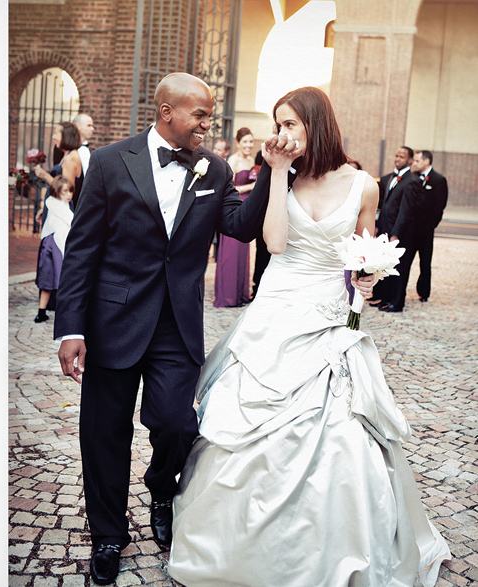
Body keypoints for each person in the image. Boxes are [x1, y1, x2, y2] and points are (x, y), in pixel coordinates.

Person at [169, 86, 450, 586]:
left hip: (329, 315)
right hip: (278, 307)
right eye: (278, 124)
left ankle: (333, 544)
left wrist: (367, 275)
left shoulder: (364, 185)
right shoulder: (284, 175)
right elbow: (275, 242)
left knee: (341, 431)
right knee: (247, 425)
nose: (281, 134)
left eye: (290, 124)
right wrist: (275, 174)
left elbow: (362, 251)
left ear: (316, 124)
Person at [54, 72, 276, 585]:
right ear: (166, 111)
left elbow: (240, 227)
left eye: (210, 114)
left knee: (177, 423)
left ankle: (161, 488)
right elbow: (83, 249)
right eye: (200, 114)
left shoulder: (215, 168)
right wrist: (71, 328)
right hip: (112, 322)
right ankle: (108, 534)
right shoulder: (111, 162)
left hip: (177, 325)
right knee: (103, 434)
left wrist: (271, 170)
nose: (208, 123)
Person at [371, 146, 426, 313]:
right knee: (386, 266)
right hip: (385, 229)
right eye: (396, 155)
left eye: (402, 157)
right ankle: (386, 299)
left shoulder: (412, 181)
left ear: (409, 160)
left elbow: (405, 211)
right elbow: (386, 206)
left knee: (399, 269)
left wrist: (396, 234)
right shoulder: (392, 178)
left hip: (399, 233)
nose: (398, 159)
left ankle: (397, 303)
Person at [213, 128, 258, 307]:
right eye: (245, 142)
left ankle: (239, 294)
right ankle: (228, 295)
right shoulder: (233, 160)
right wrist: (253, 186)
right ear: (238, 143)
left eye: (251, 142)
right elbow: (230, 188)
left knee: (242, 251)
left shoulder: (251, 160)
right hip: (234, 207)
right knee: (231, 251)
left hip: (247, 208)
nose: (248, 145)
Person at [34, 177, 75, 323]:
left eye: (70, 191)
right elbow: (73, 221)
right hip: (56, 244)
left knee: (50, 279)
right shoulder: (56, 204)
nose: (69, 194)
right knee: (59, 280)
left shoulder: (55, 204)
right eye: (65, 191)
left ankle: (42, 311)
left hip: (50, 244)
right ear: (57, 191)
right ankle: (55, 313)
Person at [410, 150, 448, 302]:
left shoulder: (439, 180)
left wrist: (431, 225)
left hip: (426, 230)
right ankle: (398, 292)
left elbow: (440, 206)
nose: (414, 163)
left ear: (426, 161)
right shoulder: (412, 177)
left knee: (425, 263)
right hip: (411, 228)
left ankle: (423, 293)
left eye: (417, 160)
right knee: (404, 261)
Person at [34, 122, 82, 209]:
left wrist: (45, 175)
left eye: (56, 133)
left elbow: (66, 190)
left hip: (62, 210)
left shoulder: (70, 158)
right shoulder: (66, 155)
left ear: (66, 136)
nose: (53, 137)